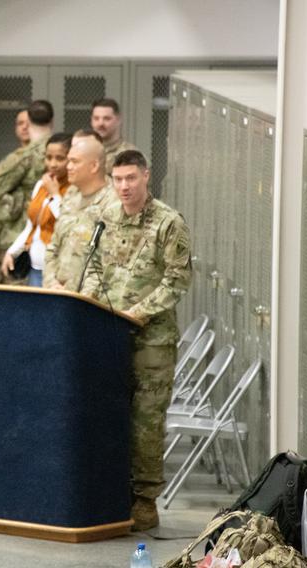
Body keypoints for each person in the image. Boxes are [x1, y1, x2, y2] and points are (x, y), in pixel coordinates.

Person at [80, 150, 192, 531]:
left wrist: (140, 312)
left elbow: (177, 279)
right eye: (118, 179)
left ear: (146, 176)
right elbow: (92, 266)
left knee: (145, 420)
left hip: (152, 340)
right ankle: (110, 491)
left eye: (131, 178)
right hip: (107, 332)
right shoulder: (105, 218)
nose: (124, 186)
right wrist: (90, 301)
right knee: (108, 411)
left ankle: (144, 499)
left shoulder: (168, 223)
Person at [0, 99, 53, 284]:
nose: (23, 128)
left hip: (40, 238)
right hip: (16, 238)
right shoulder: (15, 160)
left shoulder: (31, 156)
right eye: (19, 123)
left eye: (26, 123)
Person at [43, 135, 118, 291]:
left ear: (94, 166)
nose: (68, 167)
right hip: (57, 294)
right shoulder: (71, 195)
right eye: (69, 160)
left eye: (74, 162)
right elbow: (53, 247)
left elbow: (109, 262)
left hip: (88, 301)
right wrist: (51, 283)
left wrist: (75, 295)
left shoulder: (114, 203)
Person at [1, 132, 73, 287]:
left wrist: (55, 194)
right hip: (35, 267)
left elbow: (69, 226)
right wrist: (11, 252)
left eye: (60, 158)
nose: (53, 164)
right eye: (49, 157)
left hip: (58, 273)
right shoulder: (41, 185)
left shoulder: (74, 188)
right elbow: (32, 226)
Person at [90, 98, 139, 173]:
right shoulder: (83, 152)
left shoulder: (131, 155)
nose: (100, 123)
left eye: (107, 118)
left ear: (118, 120)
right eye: (96, 118)